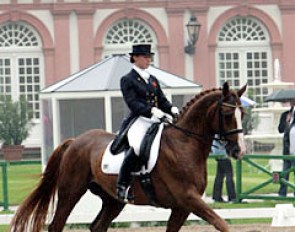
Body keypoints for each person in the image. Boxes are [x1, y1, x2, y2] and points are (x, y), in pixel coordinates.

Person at [116, 44, 179, 202]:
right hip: (139, 119)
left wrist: (171, 109)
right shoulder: (127, 79)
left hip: (156, 119)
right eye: (145, 57)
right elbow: (132, 103)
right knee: (137, 147)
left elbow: (162, 100)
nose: (148, 60)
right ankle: (122, 186)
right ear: (135, 58)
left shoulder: (152, 79)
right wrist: (151, 110)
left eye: (149, 57)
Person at [278, 99, 295, 197]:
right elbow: (280, 129)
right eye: (291, 101)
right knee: (285, 173)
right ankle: (282, 193)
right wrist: (286, 122)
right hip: (287, 149)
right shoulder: (285, 114)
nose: (292, 103)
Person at [212, 136, 236, 203]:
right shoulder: (219, 133)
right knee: (229, 176)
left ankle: (216, 197)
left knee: (219, 177)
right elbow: (222, 140)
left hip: (217, 155)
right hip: (223, 155)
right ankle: (232, 197)